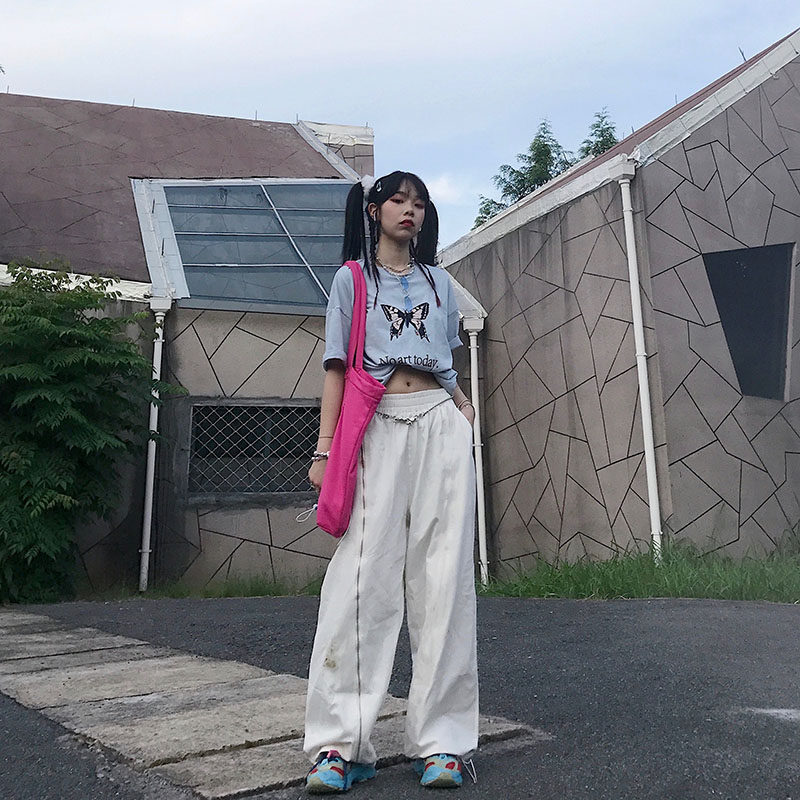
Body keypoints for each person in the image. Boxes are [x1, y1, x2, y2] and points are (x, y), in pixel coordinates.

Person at [304, 171, 479, 793]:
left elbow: (446, 361)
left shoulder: (440, 283)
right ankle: (340, 745)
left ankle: (443, 743)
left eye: (420, 203)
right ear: (374, 209)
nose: (411, 210)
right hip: (376, 425)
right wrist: (324, 450)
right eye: (399, 200)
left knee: (445, 579)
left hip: (439, 421)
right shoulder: (351, 281)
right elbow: (336, 367)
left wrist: (462, 410)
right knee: (361, 579)